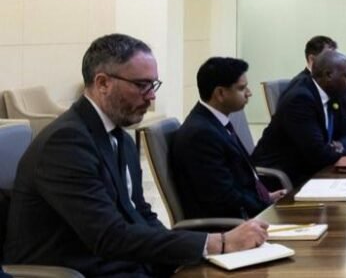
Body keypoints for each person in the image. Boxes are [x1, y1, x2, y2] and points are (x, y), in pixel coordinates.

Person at [4, 34, 267, 276]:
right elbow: (108, 236)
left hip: (122, 263)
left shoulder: (119, 135)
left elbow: (139, 214)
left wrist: (190, 253)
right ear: (103, 83)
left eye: (153, 85)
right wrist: (215, 242)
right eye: (141, 85)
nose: (151, 97)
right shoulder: (65, 143)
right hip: (80, 270)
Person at [173, 57, 287, 220]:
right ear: (220, 93)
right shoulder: (200, 135)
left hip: (250, 212)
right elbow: (223, 197)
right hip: (232, 226)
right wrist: (266, 206)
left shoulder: (216, 122)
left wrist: (269, 197)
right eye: (242, 88)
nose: (249, 93)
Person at [253, 50, 346, 186]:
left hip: (315, 169)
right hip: (285, 178)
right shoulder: (300, 99)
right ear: (328, 75)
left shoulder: (333, 94)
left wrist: (340, 146)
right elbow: (319, 154)